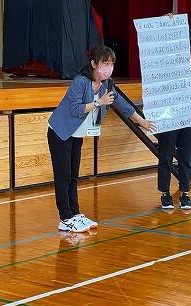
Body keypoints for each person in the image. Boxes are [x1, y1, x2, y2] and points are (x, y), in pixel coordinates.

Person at [48, 44, 155, 232]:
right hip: (60, 133)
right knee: (63, 176)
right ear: (93, 64)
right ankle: (64, 218)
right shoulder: (80, 82)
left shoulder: (107, 85)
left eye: (111, 64)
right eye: (104, 63)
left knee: (73, 175)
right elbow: (75, 109)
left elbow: (124, 106)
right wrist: (99, 102)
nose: (108, 68)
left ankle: (74, 213)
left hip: (76, 134)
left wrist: (142, 121)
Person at [157, 27, 191, 210]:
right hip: (168, 118)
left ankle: (185, 192)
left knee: (185, 156)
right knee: (166, 155)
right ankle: (165, 193)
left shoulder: (190, 68)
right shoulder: (164, 67)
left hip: (186, 119)